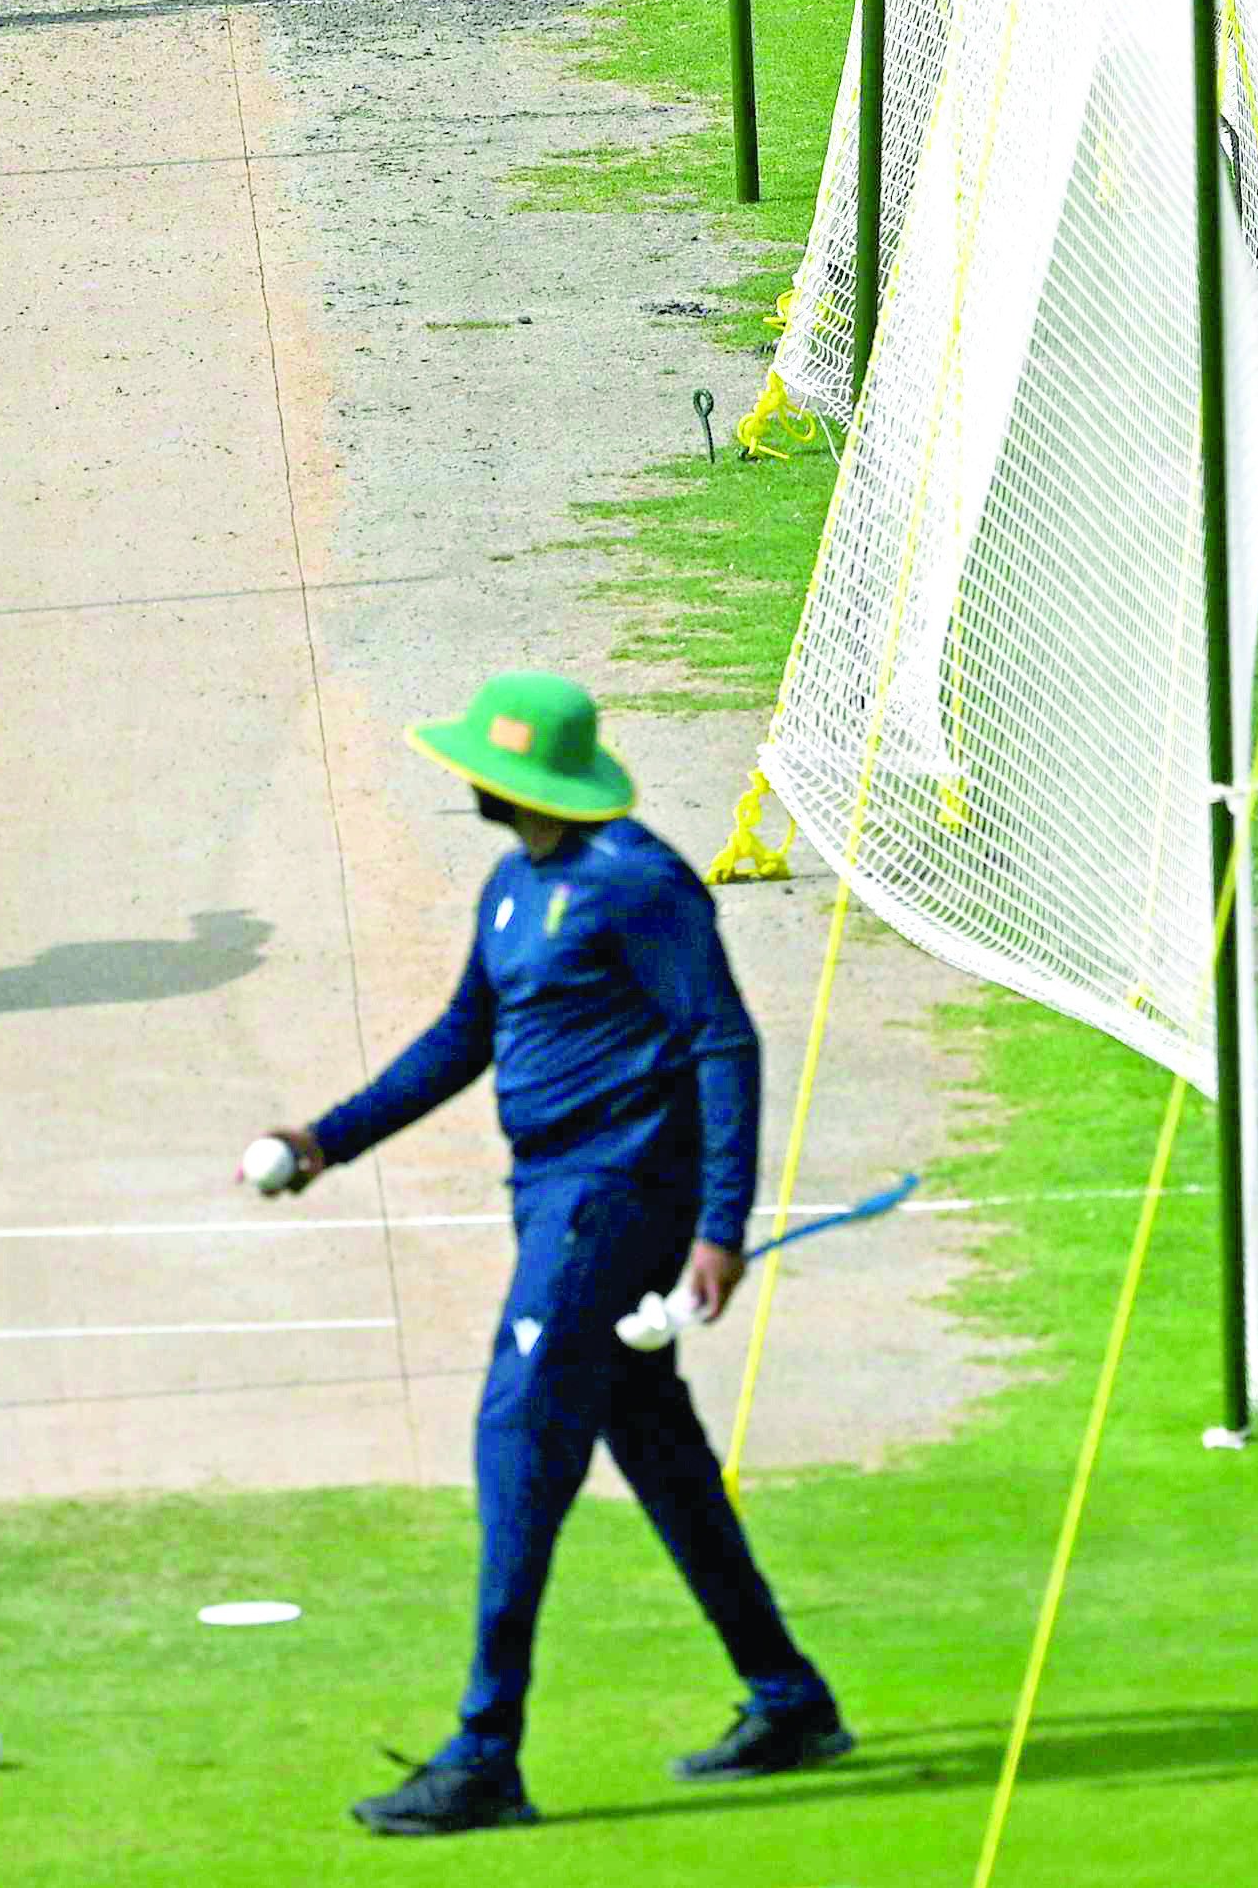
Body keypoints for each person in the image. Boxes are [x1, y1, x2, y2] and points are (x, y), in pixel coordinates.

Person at [243, 673, 846, 1835]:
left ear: (519, 776)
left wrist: (720, 1223)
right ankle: (789, 1697)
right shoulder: (515, 885)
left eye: (481, 758)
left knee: (518, 1430)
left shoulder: (640, 884)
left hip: (611, 1203)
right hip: (552, 1199)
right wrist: (324, 1138)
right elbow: (462, 1037)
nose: (463, 772)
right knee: (657, 1447)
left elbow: (723, 1036)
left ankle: (484, 1750)